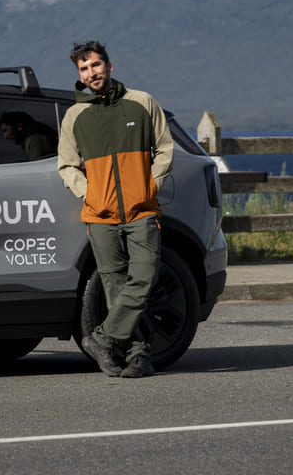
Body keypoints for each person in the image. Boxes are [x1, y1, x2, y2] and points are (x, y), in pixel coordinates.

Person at [57, 40, 173, 378]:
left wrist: (150, 186)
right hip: (100, 215)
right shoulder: (75, 116)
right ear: (80, 74)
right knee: (115, 286)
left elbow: (165, 148)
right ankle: (138, 357)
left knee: (145, 277)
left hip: (142, 210)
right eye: (84, 68)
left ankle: (102, 340)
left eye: (95, 65)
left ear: (109, 66)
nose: (91, 73)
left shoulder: (142, 103)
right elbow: (67, 165)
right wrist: (90, 195)